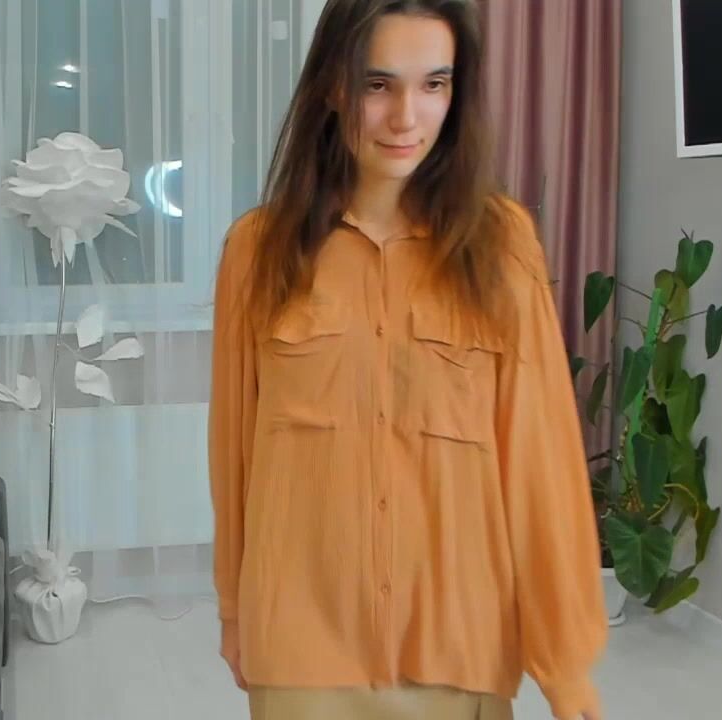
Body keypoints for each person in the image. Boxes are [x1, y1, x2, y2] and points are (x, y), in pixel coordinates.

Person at [207, 1, 608, 719]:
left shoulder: (501, 244)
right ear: (334, 86)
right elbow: (235, 454)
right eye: (378, 84)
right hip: (302, 642)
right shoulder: (256, 250)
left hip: (459, 639)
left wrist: (564, 660)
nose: (406, 118)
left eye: (434, 85)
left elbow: (538, 456)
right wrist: (236, 613)